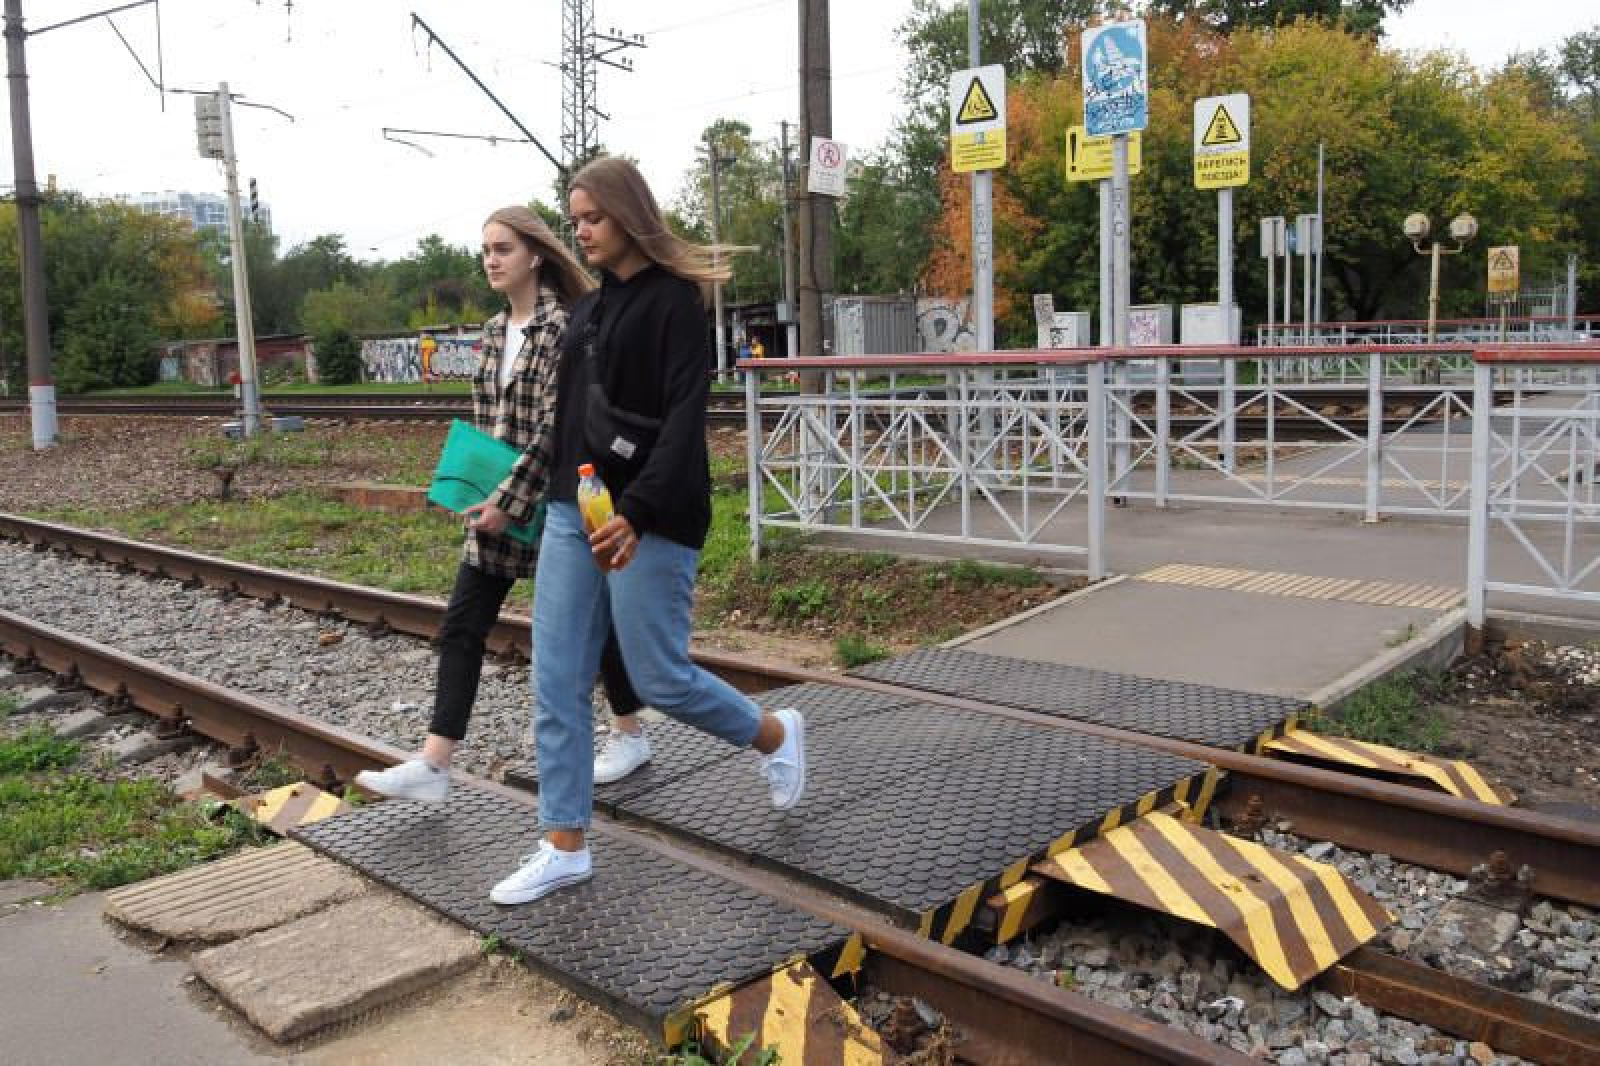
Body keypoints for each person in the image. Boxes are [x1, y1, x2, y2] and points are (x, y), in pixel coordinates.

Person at [488, 156, 807, 906]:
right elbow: (565, 425)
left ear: (630, 217)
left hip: (652, 514)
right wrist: (518, 495)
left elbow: (684, 423)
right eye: (575, 220)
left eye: (593, 218)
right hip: (574, 513)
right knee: (557, 679)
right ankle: (564, 844)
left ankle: (774, 734)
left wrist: (636, 513)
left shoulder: (675, 306)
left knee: (659, 677)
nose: (582, 231)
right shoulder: (588, 314)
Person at [355, 207, 646, 803]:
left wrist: (508, 501)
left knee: (598, 623)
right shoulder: (490, 333)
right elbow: (492, 424)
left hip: (558, 499)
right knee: (462, 625)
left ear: (535, 254)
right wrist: (470, 488)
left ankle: (631, 733)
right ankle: (435, 764)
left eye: (503, 249)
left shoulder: (566, 327)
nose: (490, 260)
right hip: (495, 501)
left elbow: (556, 429)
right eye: (485, 250)